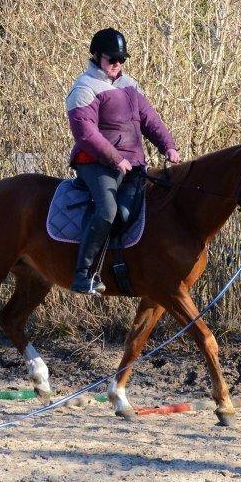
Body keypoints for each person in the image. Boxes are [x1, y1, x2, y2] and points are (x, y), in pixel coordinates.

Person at [65, 28, 181, 294]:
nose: (117, 65)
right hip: (95, 163)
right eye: (111, 59)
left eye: (122, 60)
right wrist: (115, 158)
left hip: (133, 165)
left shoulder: (130, 85)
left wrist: (168, 146)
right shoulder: (84, 88)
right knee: (107, 211)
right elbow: (86, 133)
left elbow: (150, 120)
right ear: (96, 56)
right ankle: (83, 274)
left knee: (132, 212)